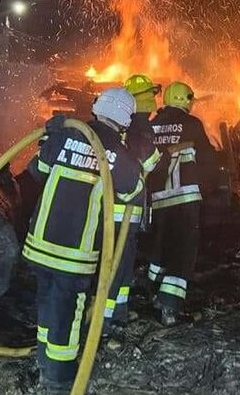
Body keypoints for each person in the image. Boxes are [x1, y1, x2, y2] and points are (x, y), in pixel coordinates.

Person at [24, 87, 143, 393]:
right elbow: (133, 192)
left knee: (47, 304)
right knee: (67, 314)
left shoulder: (66, 134)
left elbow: (37, 171)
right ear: (126, 120)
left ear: (96, 106)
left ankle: (44, 363)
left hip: (40, 243)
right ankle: (60, 379)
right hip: (74, 254)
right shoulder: (117, 153)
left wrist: (51, 141)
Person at [146, 81, 215, 325]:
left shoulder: (152, 126)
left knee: (161, 246)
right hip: (185, 199)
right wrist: (209, 188)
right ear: (185, 99)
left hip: (158, 201)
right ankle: (170, 308)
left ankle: (154, 292)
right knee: (183, 252)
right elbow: (208, 159)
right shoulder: (192, 124)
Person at [99, 74, 163, 331]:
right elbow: (150, 162)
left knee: (123, 266)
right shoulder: (138, 126)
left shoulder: (120, 127)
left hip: (121, 212)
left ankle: (119, 313)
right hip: (121, 211)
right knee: (116, 267)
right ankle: (104, 323)